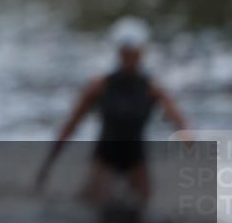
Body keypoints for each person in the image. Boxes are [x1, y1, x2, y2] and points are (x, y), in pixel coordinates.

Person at [35, 17, 189, 207]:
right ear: (119, 53)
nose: (129, 59)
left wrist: (186, 137)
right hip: (105, 157)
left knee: (143, 210)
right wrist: (47, 166)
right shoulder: (100, 86)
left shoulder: (151, 89)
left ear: (142, 53)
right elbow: (71, 125)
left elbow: (178, 119)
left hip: (136, 159)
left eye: (133, 54)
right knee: (91, 209)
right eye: (125, 54)